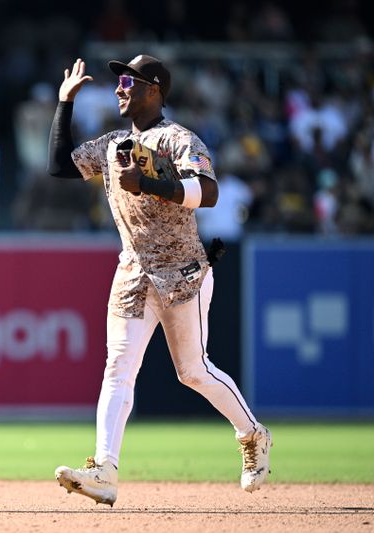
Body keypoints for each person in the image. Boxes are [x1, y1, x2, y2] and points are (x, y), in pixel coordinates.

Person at [47, 55, 271, 506]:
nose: (119, 88)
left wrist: (149, 185)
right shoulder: (113, 144)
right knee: (118, 368)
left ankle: (253, 435)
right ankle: (104, 470)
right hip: (133, 272)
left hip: (183, 272)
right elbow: (60, 166)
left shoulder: (177, 139)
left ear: (155, 88)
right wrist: (64, 103)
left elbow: (207, 192)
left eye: (128, 80)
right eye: (118, 81)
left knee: (193, 371)